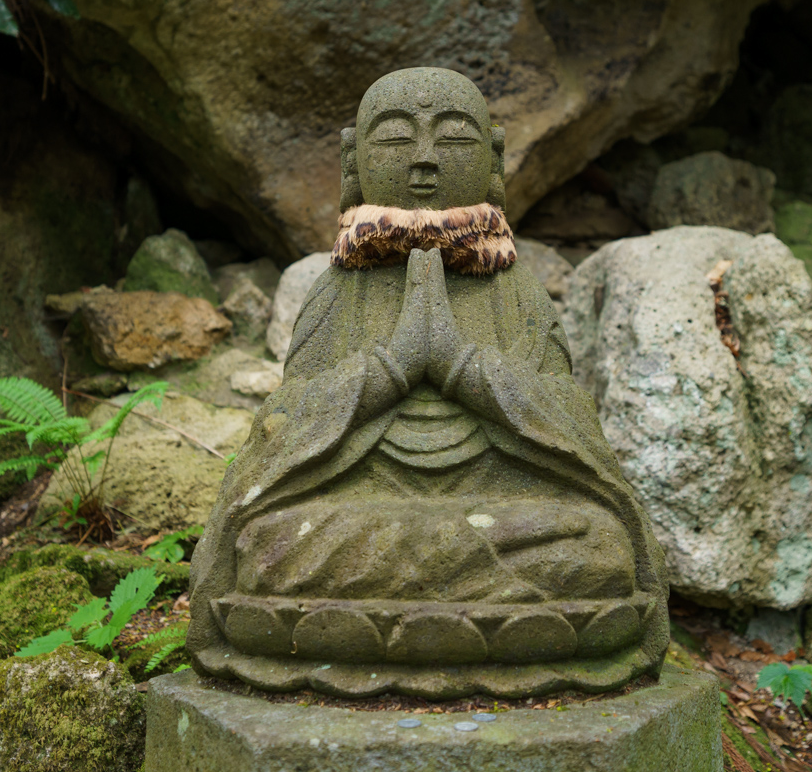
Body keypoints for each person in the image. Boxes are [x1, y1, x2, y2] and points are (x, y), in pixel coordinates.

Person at [187, 67, 668, 698]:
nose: (423, 159)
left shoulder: (516, 293)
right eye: (395, 138)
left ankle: (403, 613)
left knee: (597, 546)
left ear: (494, 158)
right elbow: (286, 426)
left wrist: (457, 362)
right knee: (270, 546)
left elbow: (568, 420)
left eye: (453, 138)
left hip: (501, 512)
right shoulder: (337, 292)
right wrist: (394, 363)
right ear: (353, 160)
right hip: (360, 517)